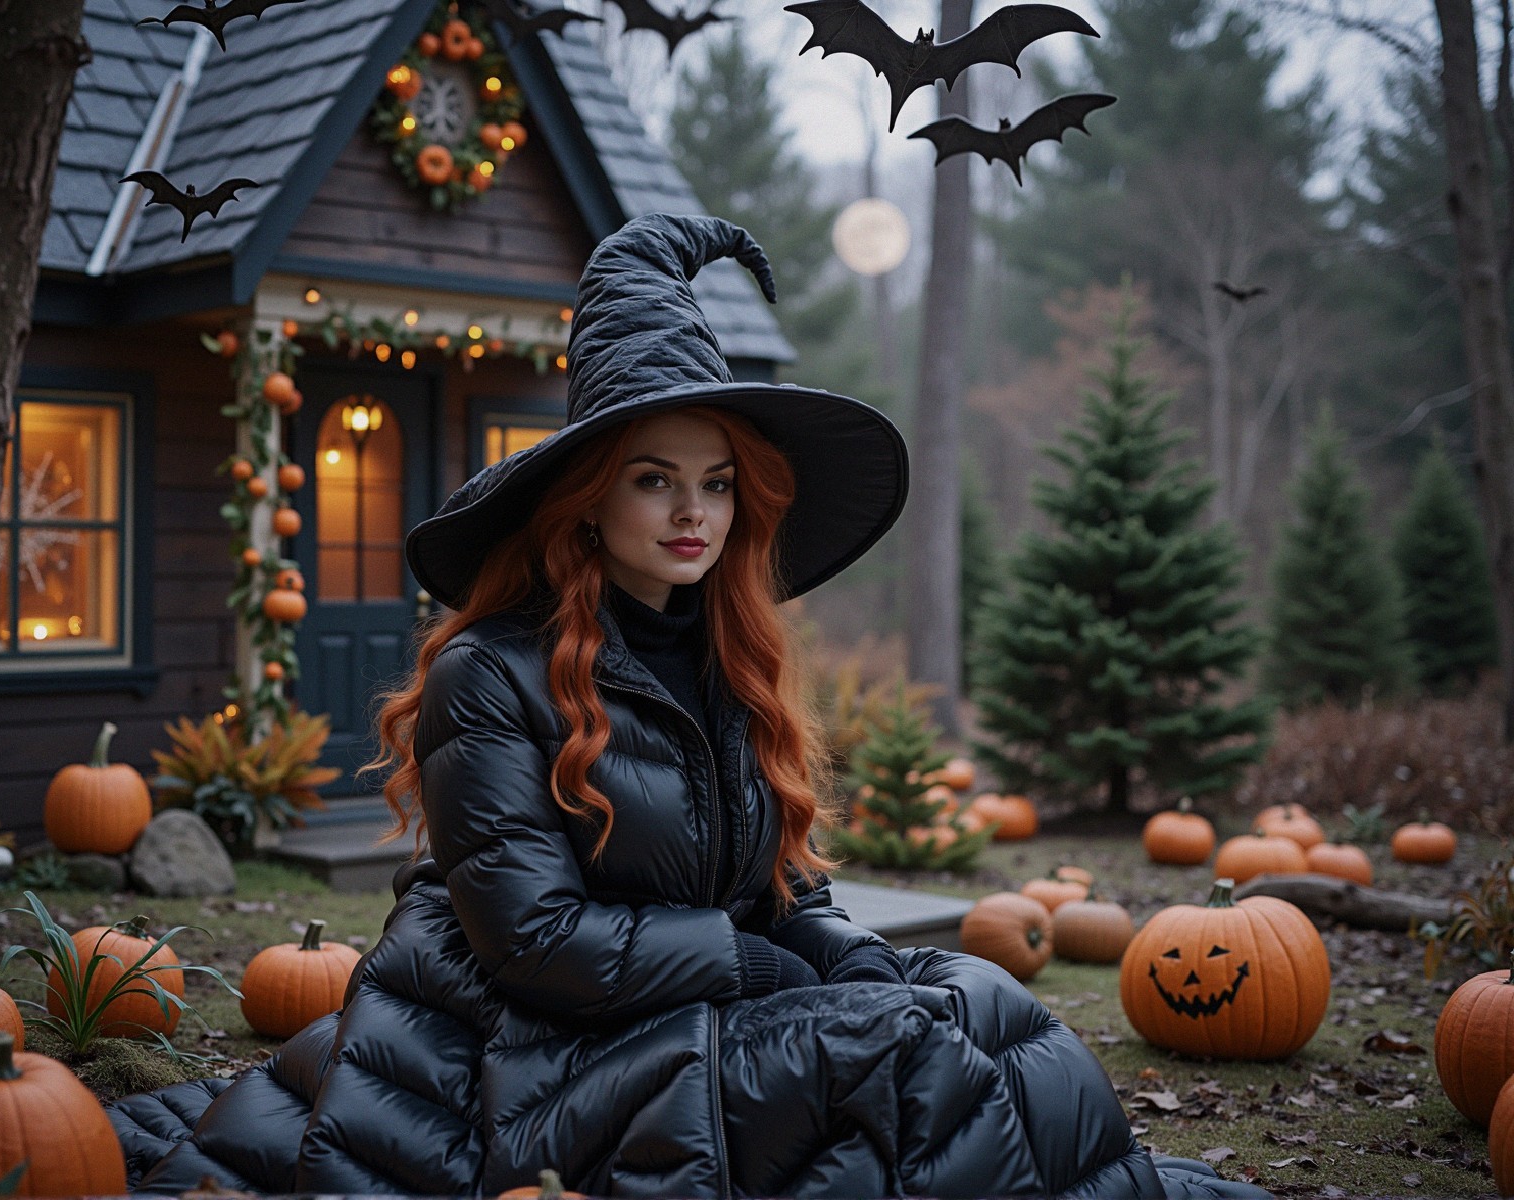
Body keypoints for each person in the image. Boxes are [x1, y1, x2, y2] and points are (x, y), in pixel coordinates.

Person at [109, 214, 1266, 1199]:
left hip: (677, 1012)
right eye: (653, 478)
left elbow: (781, 888)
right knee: (898, 1063)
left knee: (974, 1000)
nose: (691, 513)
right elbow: (537, 944)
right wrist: (760, 970)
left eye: (715, 484)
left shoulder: (726, 661)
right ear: (584, 499)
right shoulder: (489, 675)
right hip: (533, 1049)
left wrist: (842, 954)